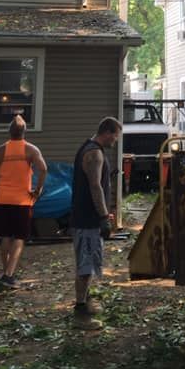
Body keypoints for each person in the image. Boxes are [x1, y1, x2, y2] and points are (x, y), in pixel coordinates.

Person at [0, 115, 47, 288]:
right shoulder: (31, 149)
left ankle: (6, 273)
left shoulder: (1, 150)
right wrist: (38, 190)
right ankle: (9, 275)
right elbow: (43, 169)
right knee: (19, 238)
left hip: (2, 199)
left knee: (5, 236)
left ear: (9, 132)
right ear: (24, 132)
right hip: (22, 201)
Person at [71, 116, 122, 328]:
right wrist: (103, 217)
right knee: (85, 268)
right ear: (107, 133)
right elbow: (95, 186)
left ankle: (86, 301)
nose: (115, 141)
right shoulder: (94, 153)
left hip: (88, 218)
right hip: (87, 220)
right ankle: (80, 314)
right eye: (115, 136)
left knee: (89, 264)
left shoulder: (90, 148)